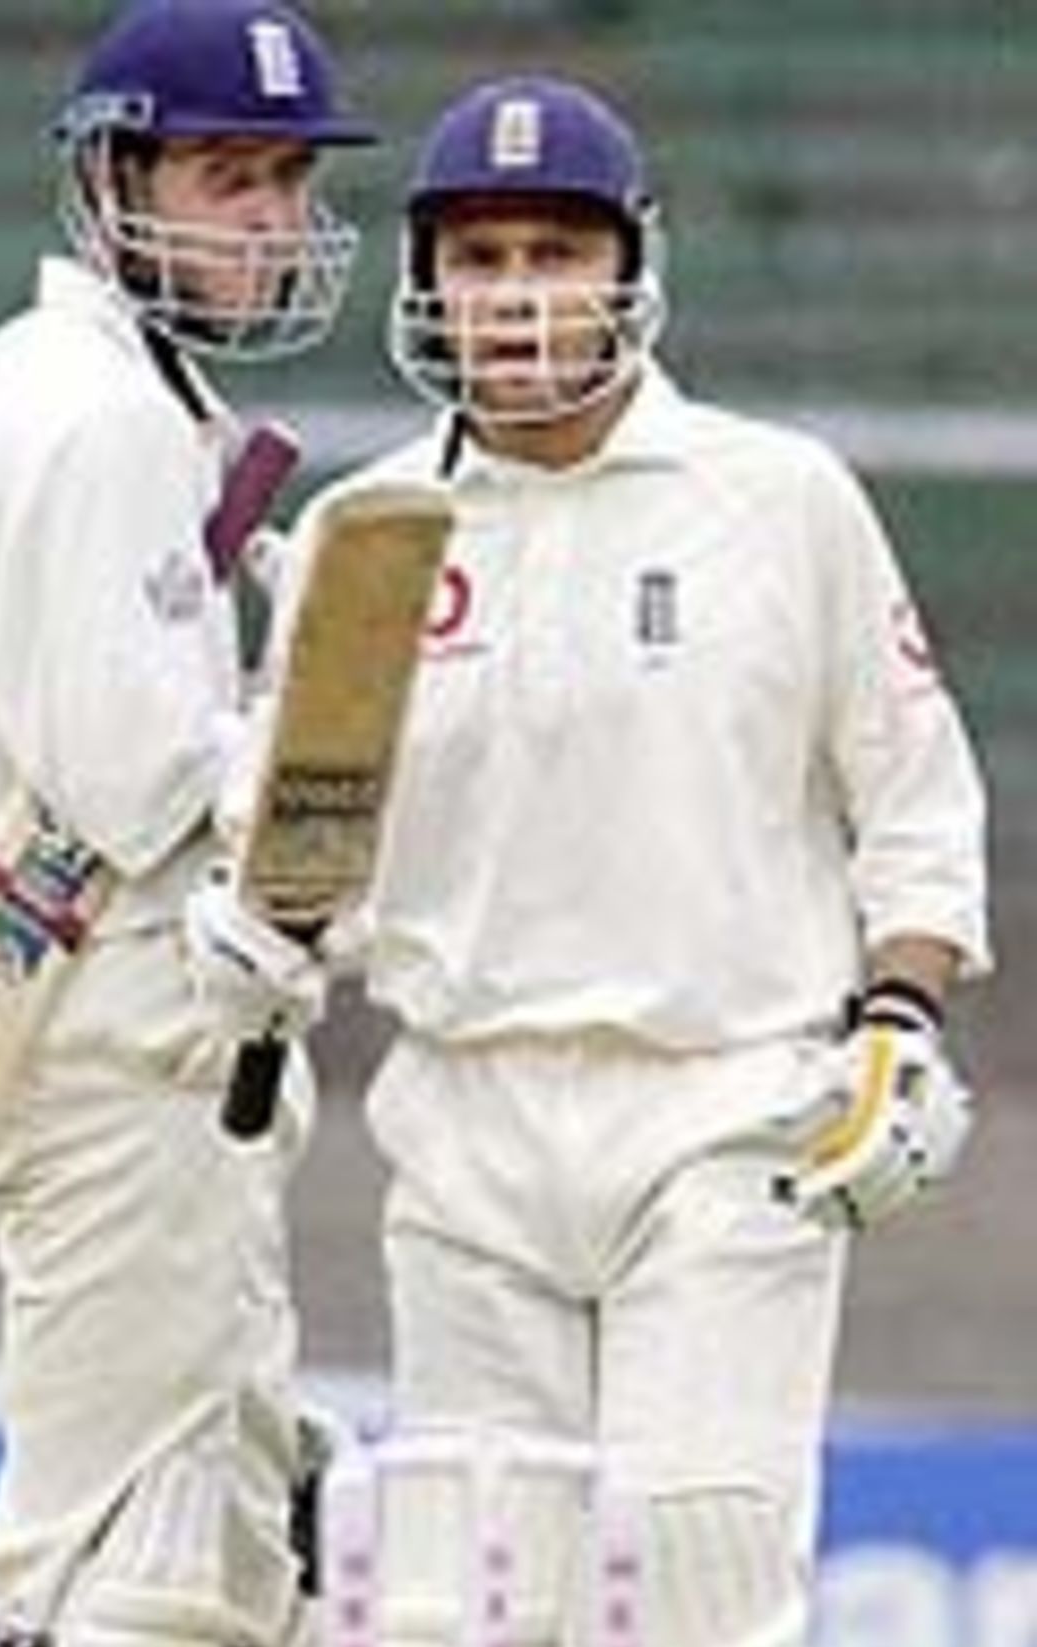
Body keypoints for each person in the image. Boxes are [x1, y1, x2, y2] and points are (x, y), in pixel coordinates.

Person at [189, 74, 991, 1646]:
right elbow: (300, 875)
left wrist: (900, 1021)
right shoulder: (373, 534)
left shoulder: (779, 500)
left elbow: (917, 802)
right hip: (466, 1135)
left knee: (698, 1588)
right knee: (477, 1612)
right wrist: (255, 927)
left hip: (727, 1111)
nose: (518, 297)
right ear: (429, 286)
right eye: (478, 260)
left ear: (631, 269)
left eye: (555, 254)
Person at [0, 2, 373, 1644]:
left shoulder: (77, 386)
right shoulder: (94, 416)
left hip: (141, 1063)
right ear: (112, 179)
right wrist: (321, 724)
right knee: (135, 1578)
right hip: (124, 1060)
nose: (273, 224)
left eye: (291, 185)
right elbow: (135, 779)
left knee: (229, 1568)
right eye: (230, 180)